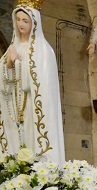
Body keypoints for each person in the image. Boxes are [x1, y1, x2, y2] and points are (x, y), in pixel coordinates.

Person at [0, 5, 65, 164]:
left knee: (31, 138)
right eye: (18, 20)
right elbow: (4, 83)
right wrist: (9, 63)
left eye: (25, 21)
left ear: (34, 23)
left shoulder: (43, 50)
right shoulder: (12, 48)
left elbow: (32, 84)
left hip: (33, 106)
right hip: (14, 106)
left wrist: (15, 62)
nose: (20, 24)